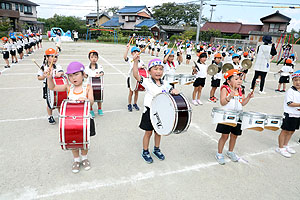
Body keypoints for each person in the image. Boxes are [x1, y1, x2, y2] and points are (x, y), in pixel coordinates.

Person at [47, 61, 96, 173]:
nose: (73, 78)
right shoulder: (68, 87)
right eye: (70, 75)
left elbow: (92, 101)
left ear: (83, 74)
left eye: (76, 74)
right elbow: (52, 87)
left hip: (85, 120)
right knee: (73, 142)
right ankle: (76, 160)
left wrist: (87, 100)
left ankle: (84, 158)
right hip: (71, 121)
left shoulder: (88, 87)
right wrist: (49, 77)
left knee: (84, 141)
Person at [132, 56, 179, 164]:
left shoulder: (166, 83)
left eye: (160, 69)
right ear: (149, 71)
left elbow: (171, 89)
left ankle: (157, 149)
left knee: (159, 132)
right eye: (155, 69)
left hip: (161, 112)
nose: (158, 71)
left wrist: (174, 90)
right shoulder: (147, 81)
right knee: (148, 132)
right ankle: (145, 151)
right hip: (149, 111)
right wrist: (135, 61)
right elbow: (136, 75)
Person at [215, 69, 254, 165]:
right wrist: (229, 97)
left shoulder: (241, 89)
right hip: (227, 116)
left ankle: (230, 151)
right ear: (228, 81)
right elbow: (222, 102)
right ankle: (219, 153)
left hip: (238, 116)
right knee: (224, 135)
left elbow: (242, 103)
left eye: (240, 79)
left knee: (234, 135)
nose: (239, 81)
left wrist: (248, 97)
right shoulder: (225, 88)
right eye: (236, 79)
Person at [276, 70, 300, 158]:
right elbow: (290, 103)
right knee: (285, 131)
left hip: (297, 115)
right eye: (295, 80)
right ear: (292, 81)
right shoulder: (291, 91)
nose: (298, 82)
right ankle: (280, 147)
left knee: (291, 131)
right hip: (290, 114)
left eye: (299, 80)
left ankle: (286, 145)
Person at [37, 48, 64, 125]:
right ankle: (50, 116)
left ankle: (60, 114)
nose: (54, 59)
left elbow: (62, 71)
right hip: (47, 87)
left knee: (59, 100)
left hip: (57, 86)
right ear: (46, 57)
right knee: (49, 102)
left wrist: (60, 73)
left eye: (56, 57)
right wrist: (44, 76)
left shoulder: (57, 66)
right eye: (52, 56)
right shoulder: (43, 67)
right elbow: (39, 77)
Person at [123, 44, 145, 112]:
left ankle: (135, 103)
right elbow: (125, 57)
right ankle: (129, 104)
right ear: (132, 54)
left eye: (137, 52)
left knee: (136, 92)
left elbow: (144, 67)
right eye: (134, 52)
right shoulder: (131, 60)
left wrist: (143, 67)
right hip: (131, 78)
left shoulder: (141, 61)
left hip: (137, 78)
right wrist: (127, 49)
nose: (136, 53)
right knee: (131, 91)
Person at [85, 50, 104, 116]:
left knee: (99, 97)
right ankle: (91, 109)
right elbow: (86, 76)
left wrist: (100, 74)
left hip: (97, 85)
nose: (94, 59)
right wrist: (83, 74)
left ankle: (99, 108)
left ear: (97, 58)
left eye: (95, 57)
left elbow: (102, 72)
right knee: (90, 98)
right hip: (89, 86)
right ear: (89, 58)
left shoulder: (100, 66)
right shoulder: (86, 68)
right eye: (92, 57)